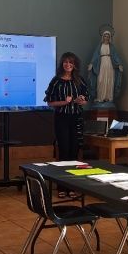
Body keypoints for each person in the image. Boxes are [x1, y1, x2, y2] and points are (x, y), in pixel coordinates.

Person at [45, 53, 89, 195]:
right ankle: (62, 187)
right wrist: (65, 101)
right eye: (65, 62)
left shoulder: (80, 80)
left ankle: (73, 186)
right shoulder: (56, 81)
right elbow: (50, 102)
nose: (68, 65)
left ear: (75, 64)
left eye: (70, 62)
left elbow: (86, 99)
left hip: (76, 118)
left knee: (74, 152)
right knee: (64, 151)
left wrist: (81, 100)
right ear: (62, 64)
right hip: (62, 118)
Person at [88, 26, 123, 104]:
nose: (106, 37)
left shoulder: (112, 47)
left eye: (108, 36)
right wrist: (91, 63)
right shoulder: (99, 46)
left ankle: (109, 97)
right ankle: (100, 97)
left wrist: (119, 64)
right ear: (103, 37)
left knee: (109, 80)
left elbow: (116, 56)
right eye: (105, 36)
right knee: (101, 80)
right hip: (101, 64)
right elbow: (95, 56)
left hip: (110, 64)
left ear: (110, 37)